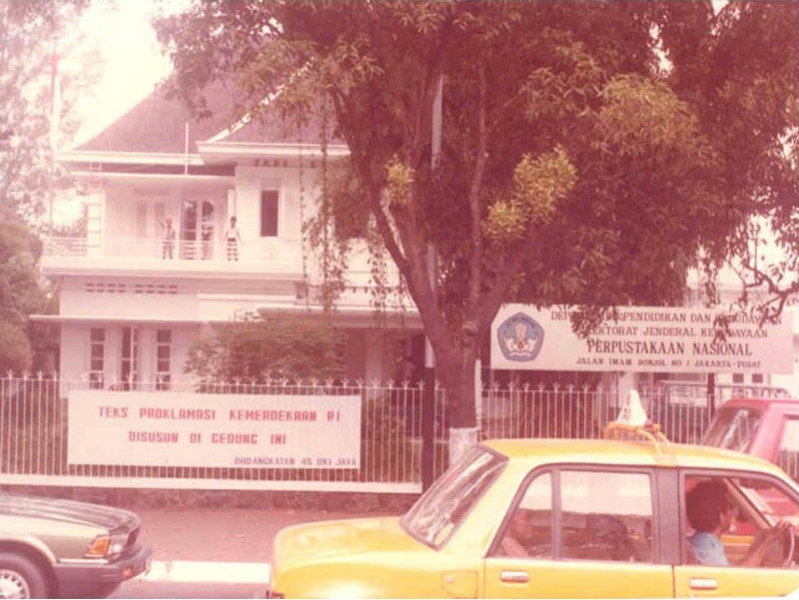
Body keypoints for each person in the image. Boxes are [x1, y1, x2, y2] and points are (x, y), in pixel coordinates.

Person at [686, 479, 791, 566]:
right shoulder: (707, 551)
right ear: (721, 516)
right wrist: (767, 542)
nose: (733, 514)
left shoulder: (701, 543)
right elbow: (733, 579)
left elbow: (734, 571)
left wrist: (761, 545)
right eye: (730, 507)